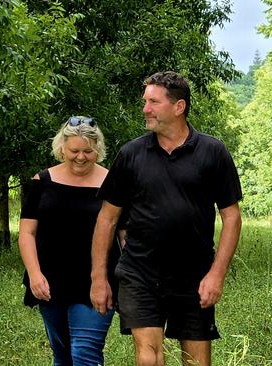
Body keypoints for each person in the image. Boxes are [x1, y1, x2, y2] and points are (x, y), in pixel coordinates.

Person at [90, 71, 243, 366]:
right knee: (149, 356)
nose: (145, 109)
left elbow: (232, 218)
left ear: (178, 107)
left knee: (197, 361)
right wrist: (99, 278)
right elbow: (107, 220)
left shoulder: (213, 152)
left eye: (153, 102)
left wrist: (216, 275)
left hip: (194, 273)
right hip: (139, 271)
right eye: (145, 101)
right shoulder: (131, 154)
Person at [18, 116, 120, 366]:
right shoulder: (42, 182)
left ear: (98, 149)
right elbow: (27, 233)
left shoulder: (114, 183)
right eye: (74, 150)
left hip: (97, 281)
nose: (81, 157)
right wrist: (34, 274)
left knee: (85, 354)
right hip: (51, 281)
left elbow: (123, 232)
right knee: (62, 356)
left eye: (88, 151)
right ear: (62, 148)